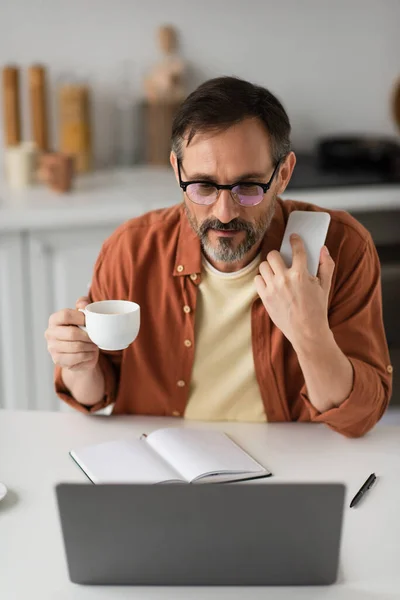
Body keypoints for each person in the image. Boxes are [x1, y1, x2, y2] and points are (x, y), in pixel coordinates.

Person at [45, 76, 392, 437]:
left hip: (288, 474)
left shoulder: (340, 248)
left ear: (283, 174)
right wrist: (80, 365)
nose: (224, 212)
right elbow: (97, 394)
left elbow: (359, 418)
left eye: (248, 187)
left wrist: (309, 332)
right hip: (165, 474)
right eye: (204, 186)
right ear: (178, 170)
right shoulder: (131, 250)